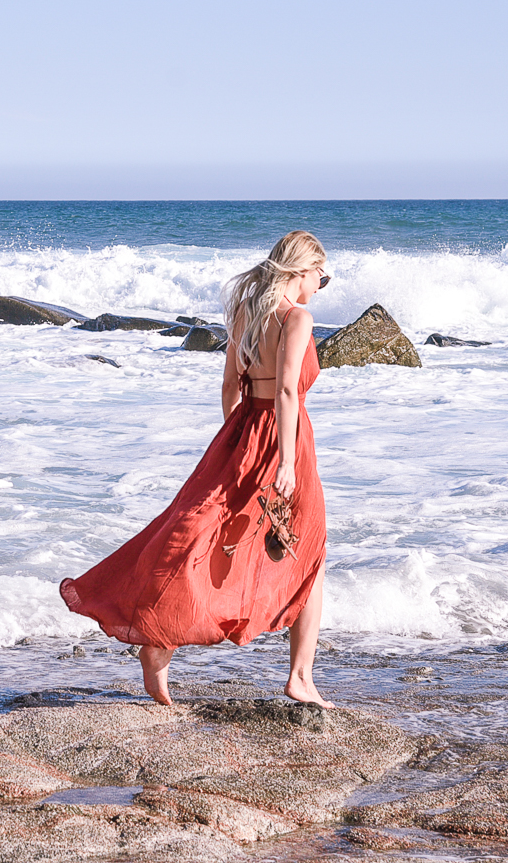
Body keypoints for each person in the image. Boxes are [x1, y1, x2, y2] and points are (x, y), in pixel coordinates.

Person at [60, 230, 332, 708]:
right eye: (320, 277)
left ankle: (159, 642)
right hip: (286, 440)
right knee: (308, 553)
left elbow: (230, 385)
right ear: (300, 271)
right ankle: (300, 678)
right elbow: (289, 392)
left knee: (197, 532)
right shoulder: (298, 318)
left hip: (240, 433)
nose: (319, 286)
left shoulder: (246, 313)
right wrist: (285, 459)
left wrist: (237, 442)